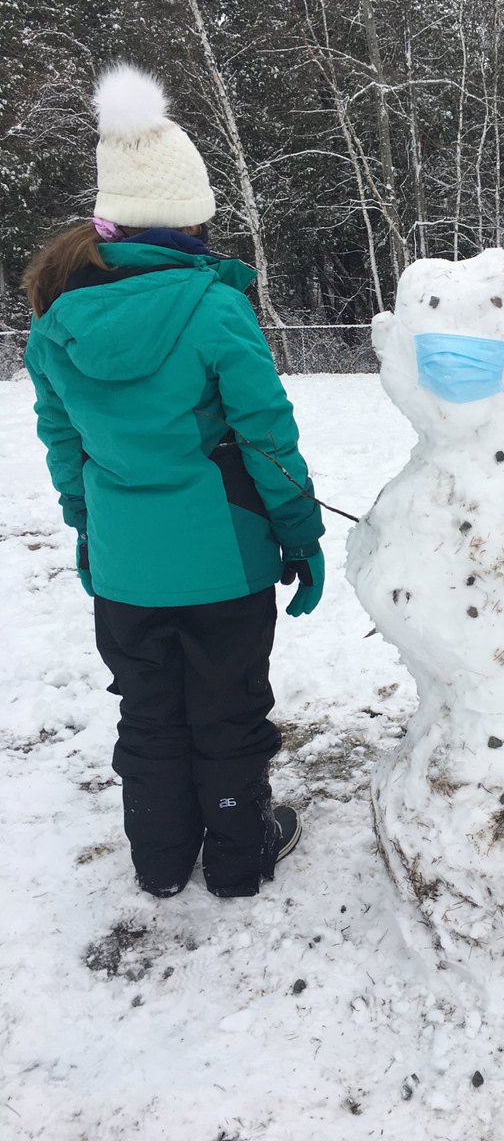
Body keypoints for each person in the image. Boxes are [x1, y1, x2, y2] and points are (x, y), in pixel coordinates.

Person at [22, 65, 325, 899]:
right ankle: (237, 852)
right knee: (227, 710)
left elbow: (64, 445)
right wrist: (300, 533)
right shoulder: (213, 306)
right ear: (190, 216)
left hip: (125, 566)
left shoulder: (55, 323)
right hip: (221, 563)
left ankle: (159, 858)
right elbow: (266, 436)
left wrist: (89, 529)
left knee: (149, 714)